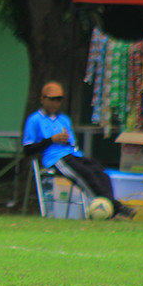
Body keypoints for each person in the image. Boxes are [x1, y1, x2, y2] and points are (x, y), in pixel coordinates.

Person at [22, 81, 133, 219]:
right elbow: (27, 150)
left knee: (100, 171)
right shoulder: (35, 120)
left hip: (72, 154)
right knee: (86, 174)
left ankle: (111, 206)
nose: (55, 103)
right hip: (55, 159)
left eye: (58, 100)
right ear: (42, 99)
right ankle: (110, 209)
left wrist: (66, 141)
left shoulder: (64, 119)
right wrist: (51, 140)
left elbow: (73, 144)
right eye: (52, 99)